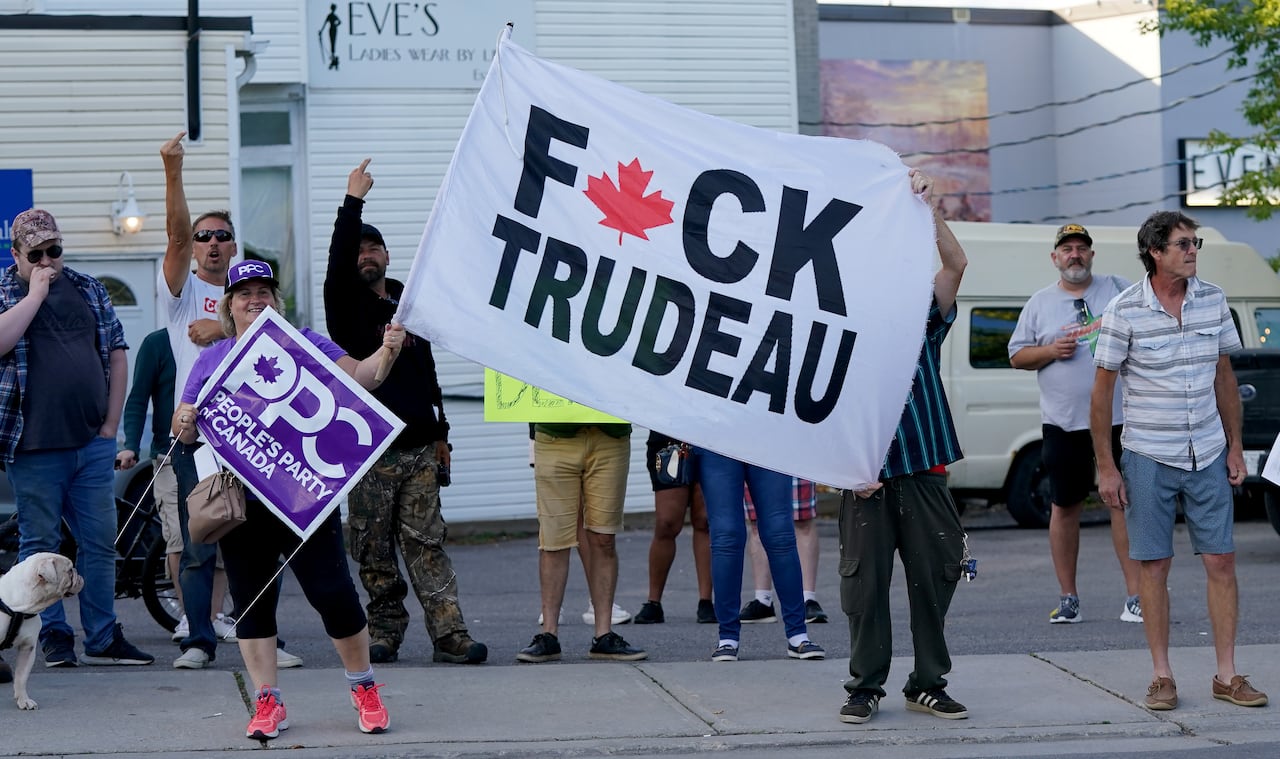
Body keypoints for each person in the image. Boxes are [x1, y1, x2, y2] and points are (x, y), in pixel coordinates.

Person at [174, 260, 402, 739]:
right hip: (243, 503)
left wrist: (387, 352)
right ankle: (267, 700)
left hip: (304, 498)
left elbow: (360, 378)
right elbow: (183, 427)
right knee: (252, 603)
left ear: (275, 300)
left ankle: (364, 687)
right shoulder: (212, 359)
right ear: (228, 306)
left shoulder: (306, 343)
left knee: (333, 595)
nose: (255, 300)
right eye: (244, 294)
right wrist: (186, 421)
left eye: (264, 292)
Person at [1090, 210, 1268, 712]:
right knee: (1154, 565)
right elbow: (1101, 396)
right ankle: (1161, 675)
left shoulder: (1214, 299)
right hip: (1148, 454)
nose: (1192, 251)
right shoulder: (1124, 309)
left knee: (1222, 559)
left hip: (1208, 451)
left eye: (1196, 243)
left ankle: (1227, 675)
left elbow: (1225, 378)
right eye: (1183, 243)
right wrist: (1106, 466)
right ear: (1155, 251)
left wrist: (1235, 445)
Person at [322, 159, 486, 665]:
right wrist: (353, 201)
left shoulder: (409, 304)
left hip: (417, 447)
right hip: (369, 450)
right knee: (372, 549)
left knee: (427, 543)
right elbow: (337, 258)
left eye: (374, 248)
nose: (366, 256)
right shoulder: (344, 305)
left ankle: (449, 634)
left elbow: (427, 374)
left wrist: (442, 434)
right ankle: (385, 631)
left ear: (388, 255)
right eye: (358, 250)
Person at [160, 131, 300, 670]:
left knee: (263, 542)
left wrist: (222, 333)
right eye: (204, 237)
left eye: (222, 236)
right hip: (200, 435)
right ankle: (198, 639)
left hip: (260, 435)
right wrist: (173, 171)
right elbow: (173, 237)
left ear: (235, 246)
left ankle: (263, 636)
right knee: (201, 539)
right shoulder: (179, 295)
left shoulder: (254, 298)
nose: (212, 243)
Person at [838, 169, 967, 725]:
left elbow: (956, 265)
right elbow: (818, 408)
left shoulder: (921, 307)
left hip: (924, 461)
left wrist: (927, 209)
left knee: (938, 572)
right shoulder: (838, 322)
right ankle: (866, 685)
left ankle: (927, 682)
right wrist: (839, 468)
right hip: (866, 472)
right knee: (864, 587)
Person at [0, 208, 153, 668]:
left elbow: (117, 352)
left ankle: (104, 635)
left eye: (54, 250)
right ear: (16, 254)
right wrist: (36, 293)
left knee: (99, 541)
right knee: (40, 547)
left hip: (91, 443)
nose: (47, 260)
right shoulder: (6, 289)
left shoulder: (89, 287)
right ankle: (52, 636)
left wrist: (112, 425)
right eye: (36, 254)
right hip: (32, 448)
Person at [1008, 223, 1142, 625]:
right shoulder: (1039, 302)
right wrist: (1050, 350)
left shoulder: (1117, 289)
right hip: (1063, 424)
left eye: (1082, 248)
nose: (1075, 255)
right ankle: (1068, 597)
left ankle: (1136, 595)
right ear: (1055, 258)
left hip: (1119, 419)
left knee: (1121, 503)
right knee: (1064, 506)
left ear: (1092, 256)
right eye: (1067, 249)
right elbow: (1016, 356)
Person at [518, 423, 646, 663]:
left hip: (610, 434)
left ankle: (603, 634)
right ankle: (549, 634)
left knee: (604, 537)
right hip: (555, 433)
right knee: (553, 539)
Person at [693, 446, 823, 663]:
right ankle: (727, 637)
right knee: (726, 536)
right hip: (717, 436)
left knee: (780, 533)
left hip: (766, 433)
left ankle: (798, 634)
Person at [115, 328, 185, 630]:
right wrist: (130, 442)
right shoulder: (157, 342)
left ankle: (216, 616)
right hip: (169, 454)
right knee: (179, 538)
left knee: (216, 542)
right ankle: (190, 616)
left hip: (220, 456)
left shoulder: (222, 337)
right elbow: (138, 397)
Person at [632, 432, 713, 625]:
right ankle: (653, 602)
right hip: (667, 437)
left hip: (709, 437)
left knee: (704, 521)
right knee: (667, 523)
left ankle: (706, 601)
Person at [739, 477, 828, 625]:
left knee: (803, 520)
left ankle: (808, 600)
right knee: (757, 522)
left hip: (794, 456)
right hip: (756, 455)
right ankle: (763, 600)